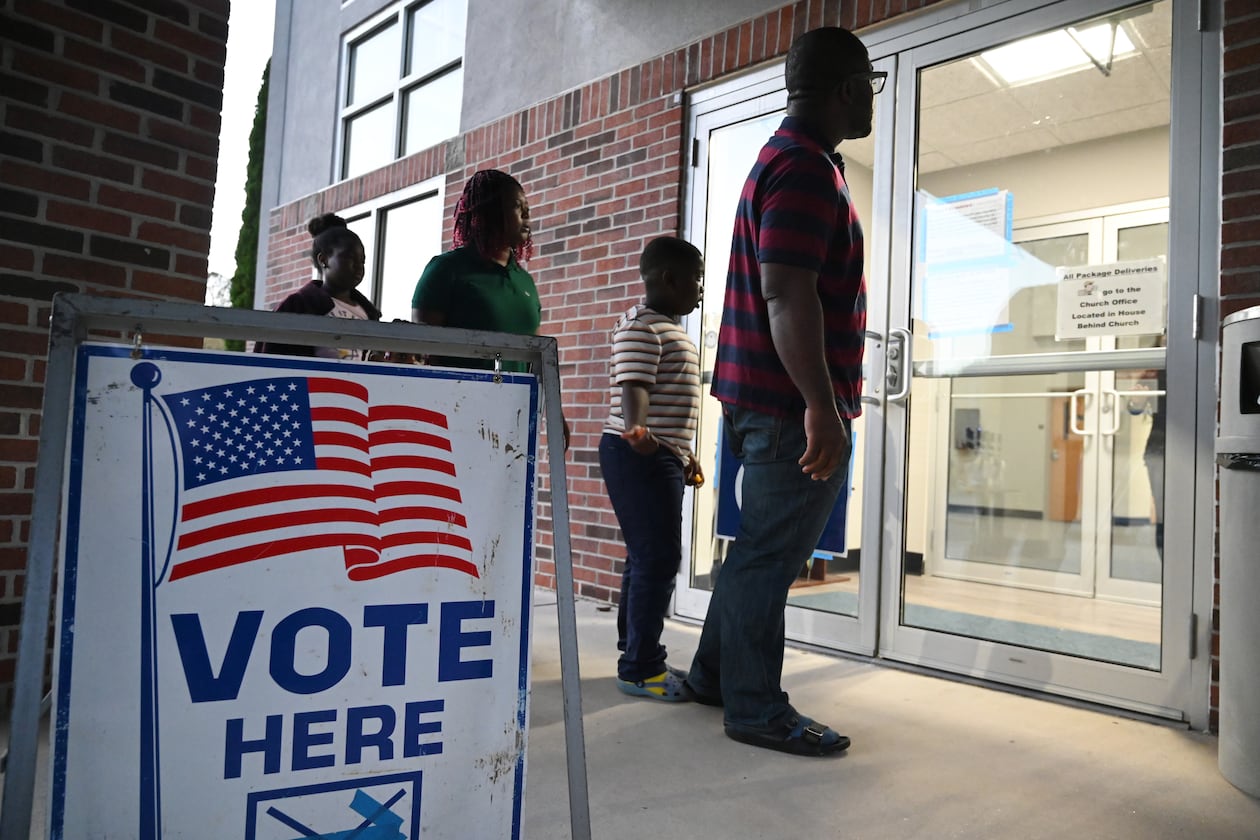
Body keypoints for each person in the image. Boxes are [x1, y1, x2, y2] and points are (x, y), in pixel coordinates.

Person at [684, 27, 880, 757]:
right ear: (845, 87)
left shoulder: (786, 158)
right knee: (769, 559)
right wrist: (822, 408)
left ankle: (713, 676)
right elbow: (787, 295)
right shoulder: (803, 168)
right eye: (870, 85)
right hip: (787, 408)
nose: (870, 99)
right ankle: (757, 708)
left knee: (754, 552)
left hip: (757, 400)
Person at [599, 237, 705, 702]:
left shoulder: (666, 328)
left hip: (662, 452)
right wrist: (638, 429)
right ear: (668, 278)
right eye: (695, 280)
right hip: (638, 451)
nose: (700, 290)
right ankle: (641, 667)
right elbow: (635, 385)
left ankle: (635, 652)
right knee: (659, 558)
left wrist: (683, 453)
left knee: (646, 556)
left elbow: (670, 401)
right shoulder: (642, 327)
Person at [412, 168, 568, 446]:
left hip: (515, 421)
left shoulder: (524, 281)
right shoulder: (446, 269)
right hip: (457, 417)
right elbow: (422, 356)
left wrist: (555, 413)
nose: (528, 218)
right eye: (518, 208)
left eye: (528, 209)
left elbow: (535, 356)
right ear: (490, 211)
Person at [256, 213, 381, 358]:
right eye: (350, 258)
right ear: (324, 260)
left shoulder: (368, 313)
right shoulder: (297, 306)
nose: (359, 266)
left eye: (362, 261)